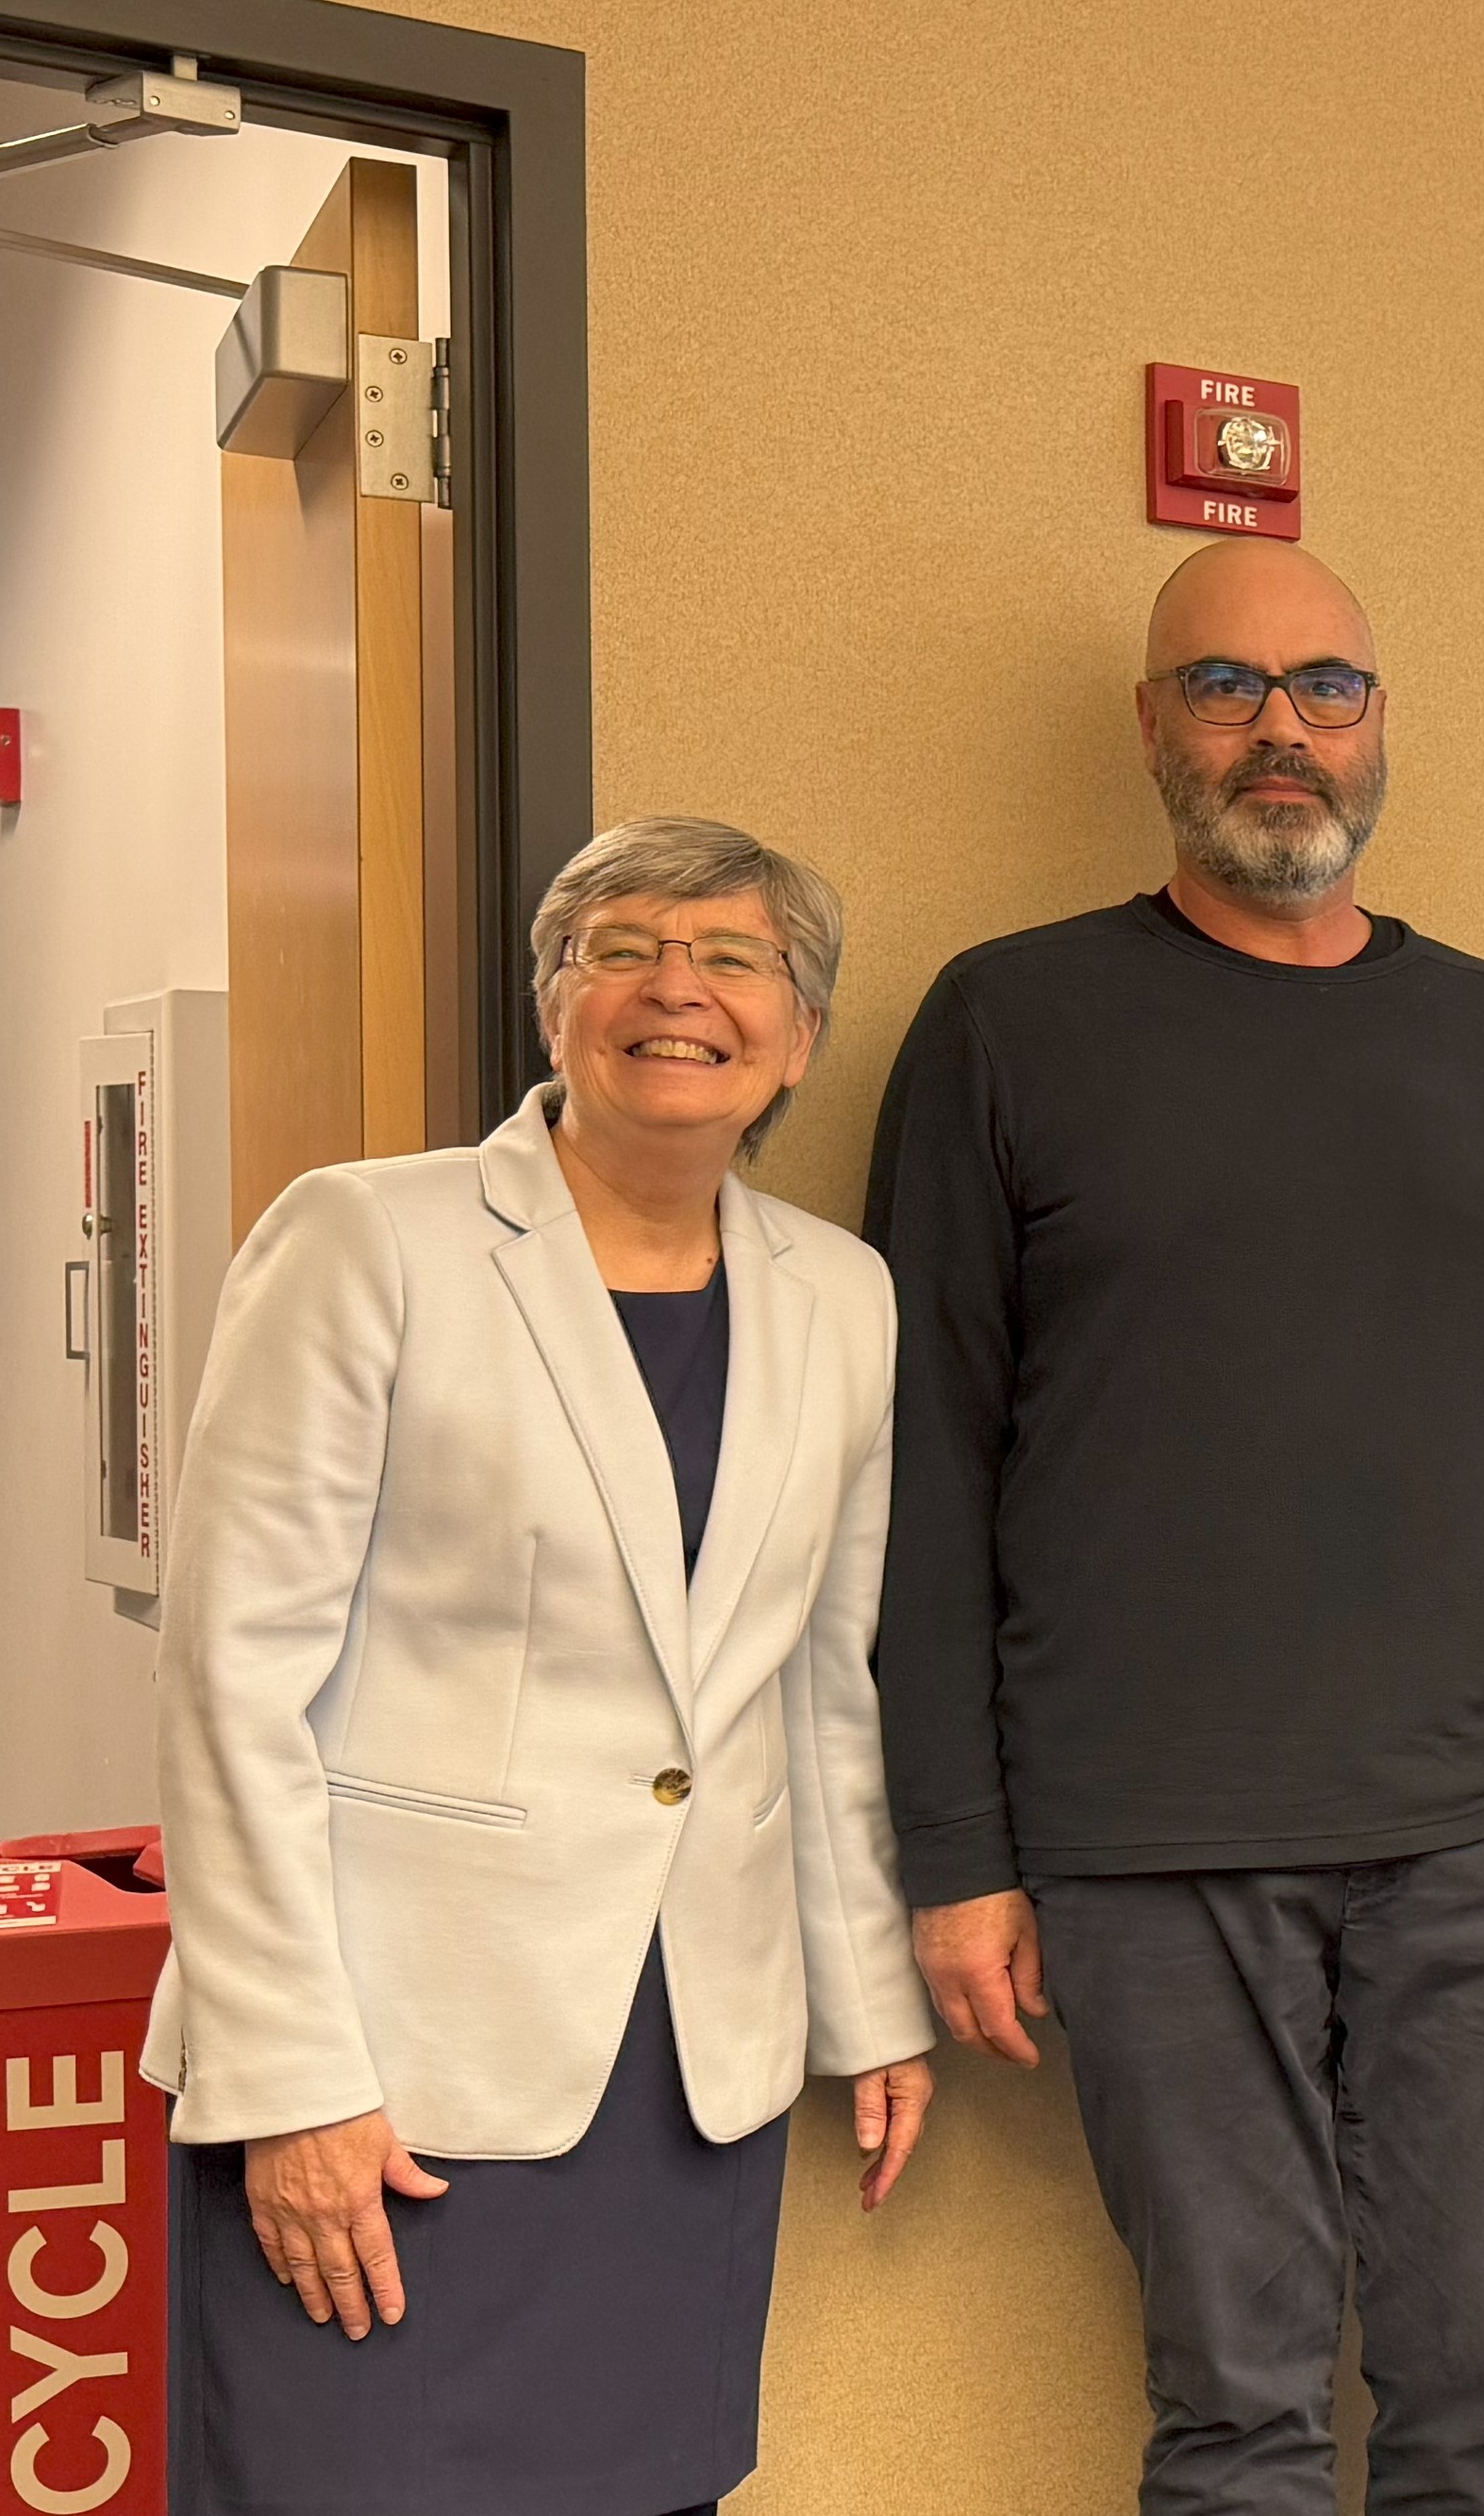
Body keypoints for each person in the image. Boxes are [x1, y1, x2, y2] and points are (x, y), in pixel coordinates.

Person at [864, 540, 1484, 2516]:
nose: (1282, 731)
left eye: (1328, 686)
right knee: (1231, 2413)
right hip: (1149, 1849)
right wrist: (958, 1852)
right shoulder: (1006, 1024)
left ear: (1381, 725)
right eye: (1227, 687)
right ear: (1151, 725)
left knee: (1482, 2395)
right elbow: (922, 1463)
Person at [146, 817, 935, 2516]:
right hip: (386, 2071)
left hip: (682, 2076)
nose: (677, 989)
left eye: (734, 958)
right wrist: (288, 2078)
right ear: (553, 1003)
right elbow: (234, 1682)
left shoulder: (845, 1298)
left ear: (797, 1036)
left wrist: (869, 2001)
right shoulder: (368, 1241)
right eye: (622, 947)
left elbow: (817, 1686)